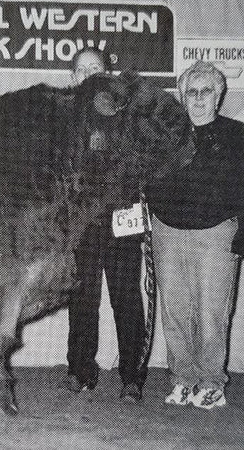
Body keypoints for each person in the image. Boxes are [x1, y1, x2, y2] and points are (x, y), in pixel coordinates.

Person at [148, 60, 244, 409]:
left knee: (211, 312)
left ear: (218, 97)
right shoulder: (164, 135)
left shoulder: (237, 136)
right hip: (167, 232)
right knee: (174, 309)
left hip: (217, 234)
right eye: (192, 92)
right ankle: (182, 380)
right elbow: (146, 177)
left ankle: (212, 382)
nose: (199, 99)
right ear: (182, 97)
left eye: (207, 92)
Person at [63, 47, 147, 401]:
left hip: (122, 219)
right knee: (82, 299)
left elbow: (144, 167)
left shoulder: (129, 116)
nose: (89, 74)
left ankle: (132, 375)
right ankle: (80, 370)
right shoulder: (63, 119)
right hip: (82, 223)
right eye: (82, 70)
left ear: (106, 74)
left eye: (95, 68)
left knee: (126, 297)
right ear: (73, 78)